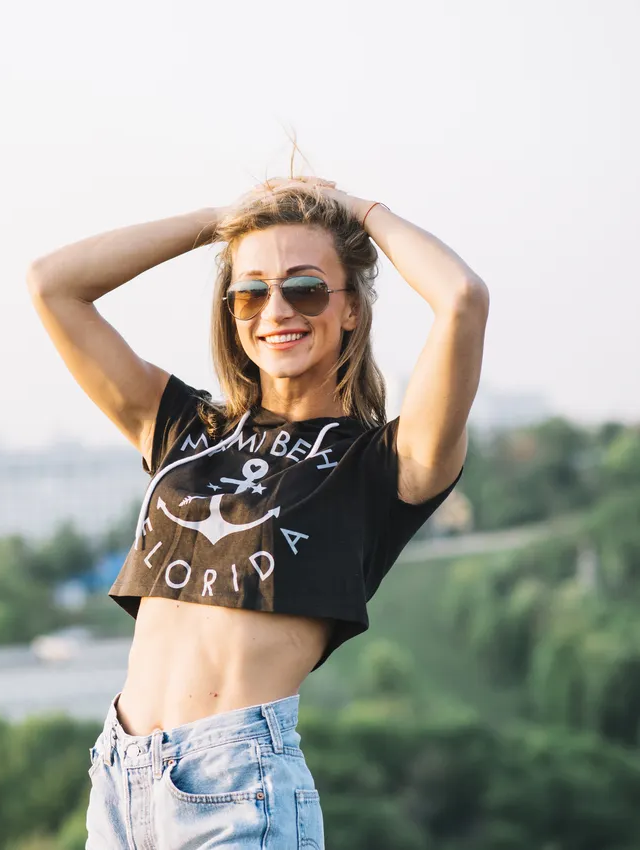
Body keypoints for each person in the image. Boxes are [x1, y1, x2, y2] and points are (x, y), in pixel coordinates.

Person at [26, 177, 488, 848]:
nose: (277, 310)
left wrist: (361, 212)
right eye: (251, 291)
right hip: (120, 778)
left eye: (304, 288)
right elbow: (52, 284)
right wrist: (224, 220)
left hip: (236, 785)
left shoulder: (384, 464)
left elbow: (462, 298)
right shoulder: (187, 428)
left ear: (351, 308)